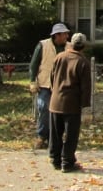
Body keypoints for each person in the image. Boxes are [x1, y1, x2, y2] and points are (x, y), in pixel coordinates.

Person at [48, 32, 92, 173]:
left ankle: (55, 160)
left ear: (71, 43)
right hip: (72, 104)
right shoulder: (83, 62)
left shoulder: (59, 57)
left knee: (55, 134)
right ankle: (67, 162)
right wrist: (85, 107)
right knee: (71, 135)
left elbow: (52, 77)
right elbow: (86, 87)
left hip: (55, 102)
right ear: (83, 46)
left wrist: (54, 91)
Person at [28, 22, 71, 150]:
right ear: (56, 35)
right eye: (64, 34)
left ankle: (56, 137)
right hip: (45, 84)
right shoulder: (43, 45)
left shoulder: (70, 47)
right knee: (44, 108)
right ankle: (42, 136)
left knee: (61, 112)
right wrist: (32, 81)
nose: (67, 36)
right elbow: (33, 65)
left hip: (63, 85)